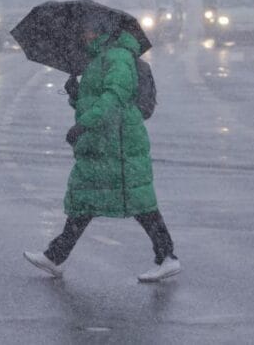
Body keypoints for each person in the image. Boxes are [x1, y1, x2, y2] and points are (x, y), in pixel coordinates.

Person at [24, 16, 180, 283]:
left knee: (137, 201)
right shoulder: (100, 58)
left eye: (88, 30)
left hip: (118, 142)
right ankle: (56, 256)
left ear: (102, 31)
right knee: (87, 199)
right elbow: (96, 100)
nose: (85, 36)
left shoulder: (117, 57)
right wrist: (75, 94)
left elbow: (115, 97)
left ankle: (167, 257)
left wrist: (83, 125)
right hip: (104, 142)